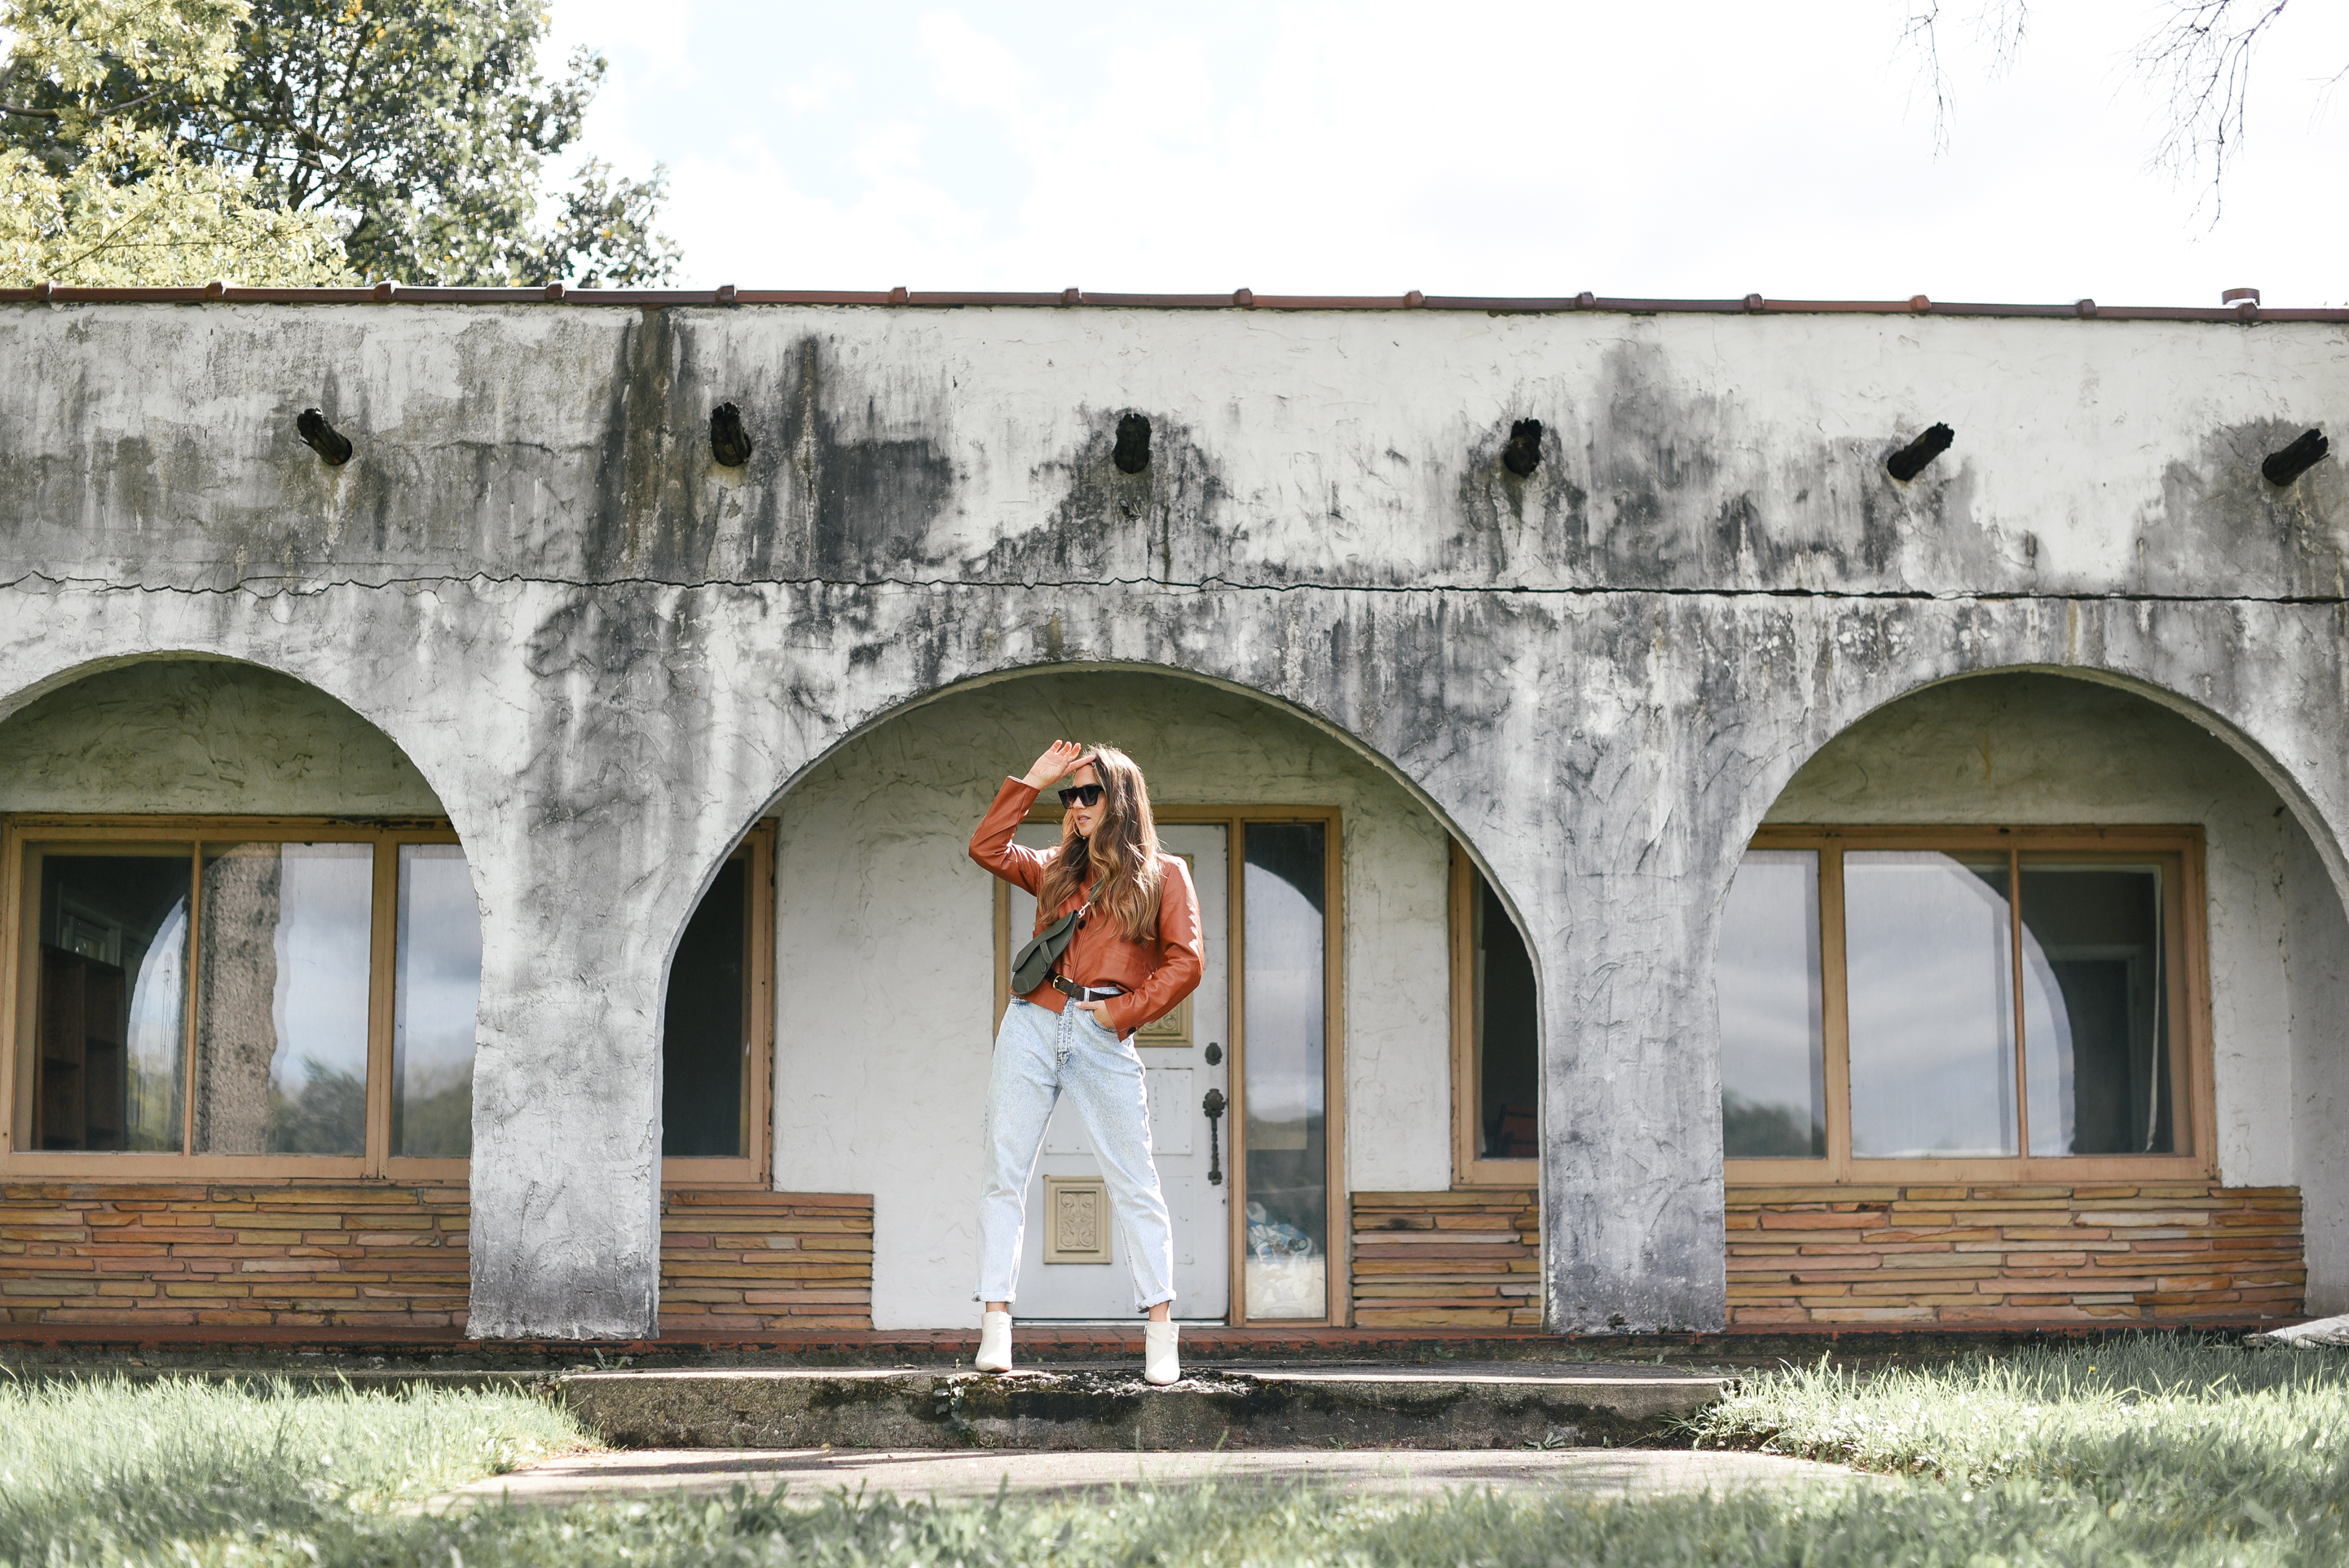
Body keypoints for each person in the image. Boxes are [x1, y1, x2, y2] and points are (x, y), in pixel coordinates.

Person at [967, 739, 1203, 1385]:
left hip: (1102, 1033)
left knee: (1135, 1182)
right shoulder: (1055, 869)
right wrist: (1032, 780)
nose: (1075, 805)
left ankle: (1160, 1334)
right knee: (1003, 1173)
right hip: (1032, 1023)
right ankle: (996, 1327)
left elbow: (1187, 962)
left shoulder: (1165, 873)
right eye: (1068, 796)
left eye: (1087, 793)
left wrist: (1118, 1014)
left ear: (1119, 797)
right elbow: (987, 848)